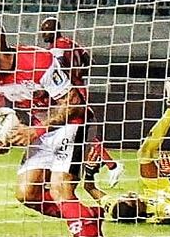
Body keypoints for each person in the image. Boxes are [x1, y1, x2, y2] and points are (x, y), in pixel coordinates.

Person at [0, 16, 111, 237]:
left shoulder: (38, 60)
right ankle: (86, 216)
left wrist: (37, 130)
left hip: (72, 123)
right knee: (27, 194)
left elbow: (74, 102)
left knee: (60, 188)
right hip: (39, 130)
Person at [83, 82, 170, 225]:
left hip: (156, 190)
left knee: (144, 153)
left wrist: (90, 171)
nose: (129, 194)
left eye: (124, 196)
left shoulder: (115, 208)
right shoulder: (160, 211)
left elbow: (89, 188)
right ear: (138, 211)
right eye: (131, 198)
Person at [39, 17, 124, 188]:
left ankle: (112, 166)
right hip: (77, 88)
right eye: (43, 30)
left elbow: (60, 65)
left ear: (56, 29)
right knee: (77, 132)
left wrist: (68, 78)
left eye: (47, 30)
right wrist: (79, 75)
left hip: (68, 93)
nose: (44, 34)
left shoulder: (56, 48)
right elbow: (88, 61)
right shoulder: (72, 43)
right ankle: (109, 165)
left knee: (75, 129)